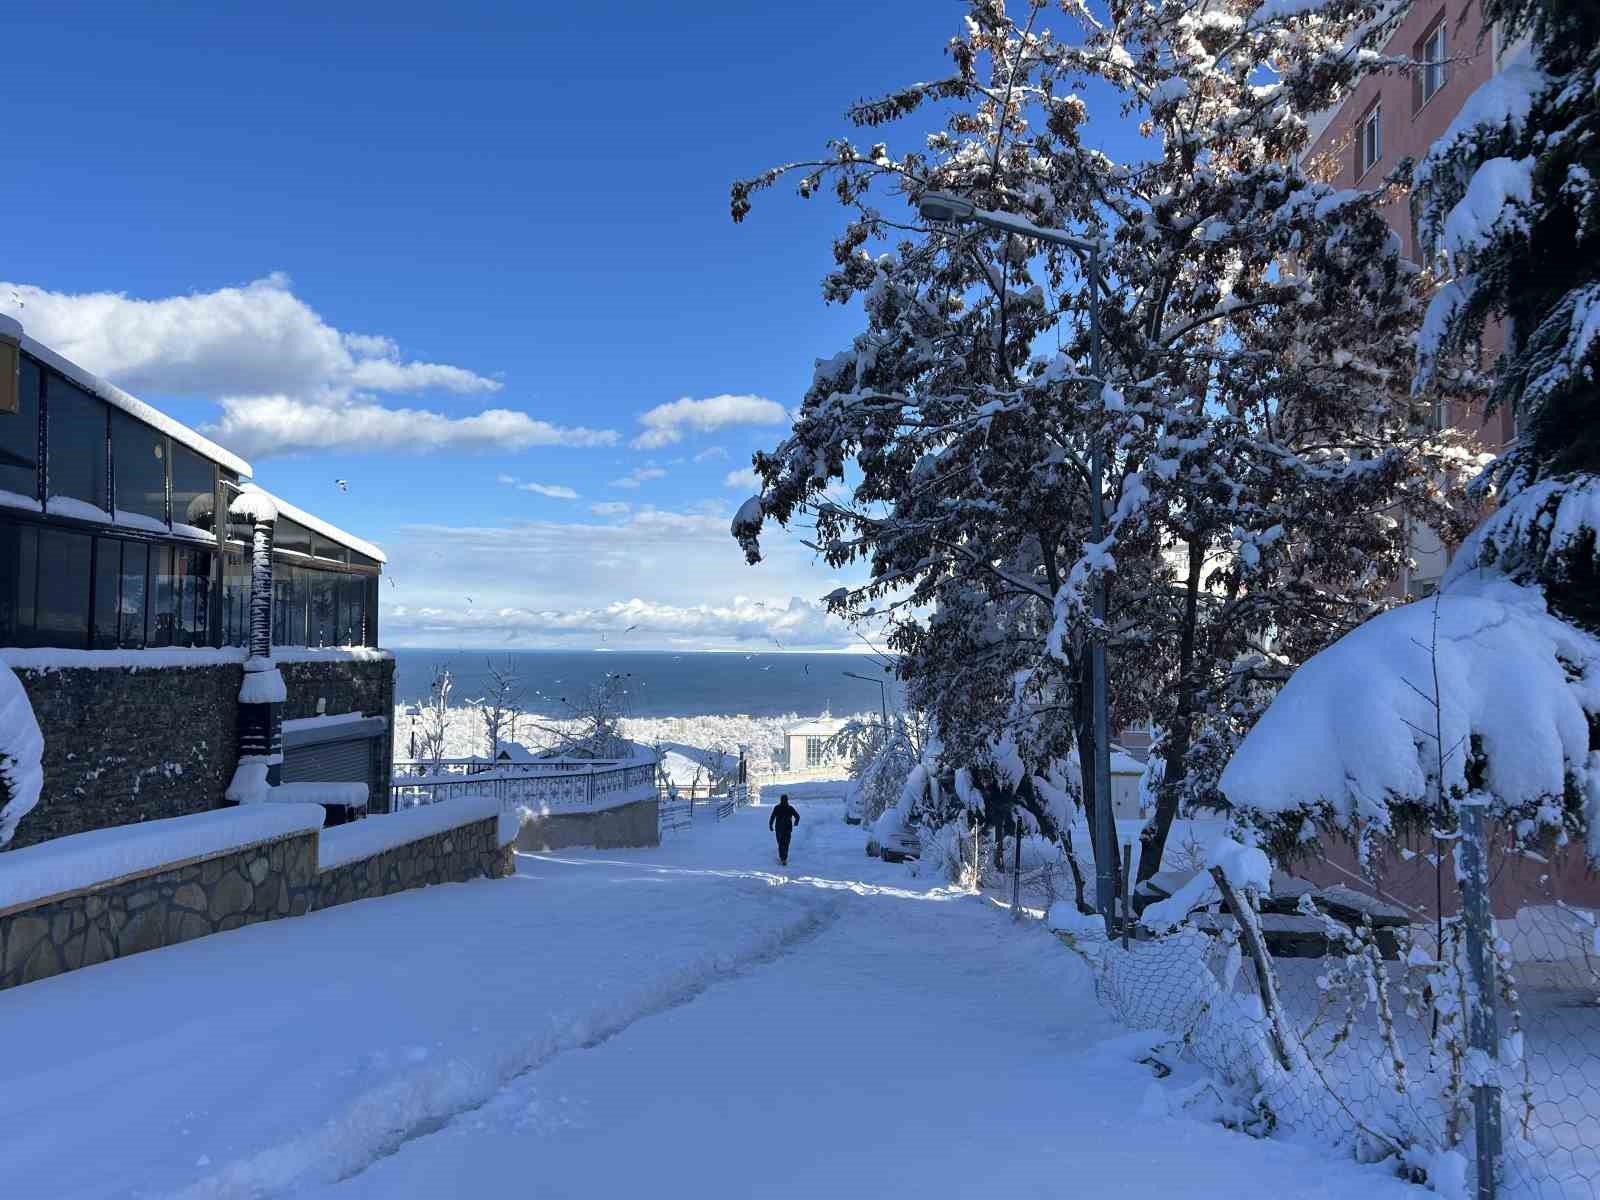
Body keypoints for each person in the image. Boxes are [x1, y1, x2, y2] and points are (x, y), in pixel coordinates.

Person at [768, 793, 800, 866]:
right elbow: (797, 817)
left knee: (781, 844)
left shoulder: (778, 808)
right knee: (785, 844)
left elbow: (772, 817)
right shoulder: (789, 808)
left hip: (780, 829)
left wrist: (770, 825)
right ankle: (784, 858)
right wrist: (796, 823)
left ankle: (783, 858)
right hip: (786, 829)